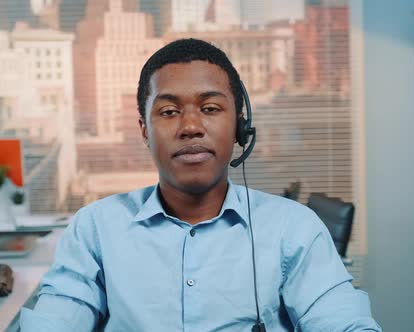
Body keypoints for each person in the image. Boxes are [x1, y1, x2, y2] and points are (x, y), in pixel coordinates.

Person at [20, 38, 381, 331]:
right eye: (168, 111)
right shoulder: (95, 229)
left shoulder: (294, 228)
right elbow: (57, 318)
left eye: (210, 109)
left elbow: (344, 322)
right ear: (144, 129)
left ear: (240, 128)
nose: (190, 126)